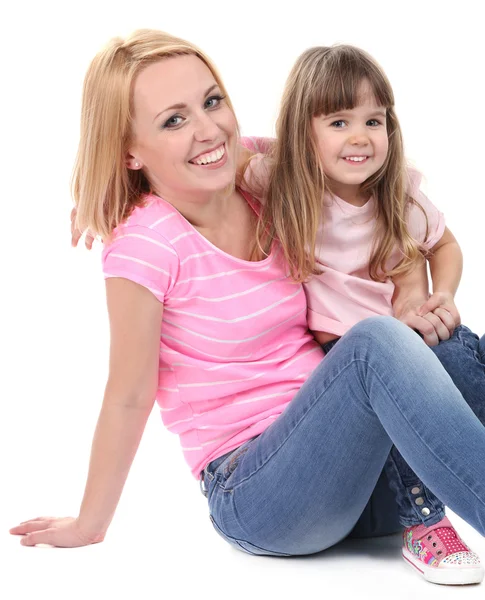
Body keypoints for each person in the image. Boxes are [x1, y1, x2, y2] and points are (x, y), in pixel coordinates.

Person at [10, 30, 485, 588]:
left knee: (442, 342)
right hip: (263, 495)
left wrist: (415, 292)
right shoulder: (147, 245)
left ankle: (423, 518)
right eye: (173, 120)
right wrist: (90, 523)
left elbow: (301, 145)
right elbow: (129, 394)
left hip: (364, 479)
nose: (209, 130)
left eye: (212, 102)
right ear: (128, 150)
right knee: (375, 342)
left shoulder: (267, 189)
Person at [238, 45, 485, 583]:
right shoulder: (279, 184)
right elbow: (207, 154)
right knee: (391, 400)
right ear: (303, 132)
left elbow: (446, 247)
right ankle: (425, 523)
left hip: (412, 339)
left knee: (463, 355)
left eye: (374, 121)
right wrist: (116, 197)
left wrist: (441, 294)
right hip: (347, 361)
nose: (361, 137)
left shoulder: (398, 197)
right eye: (339, 121)